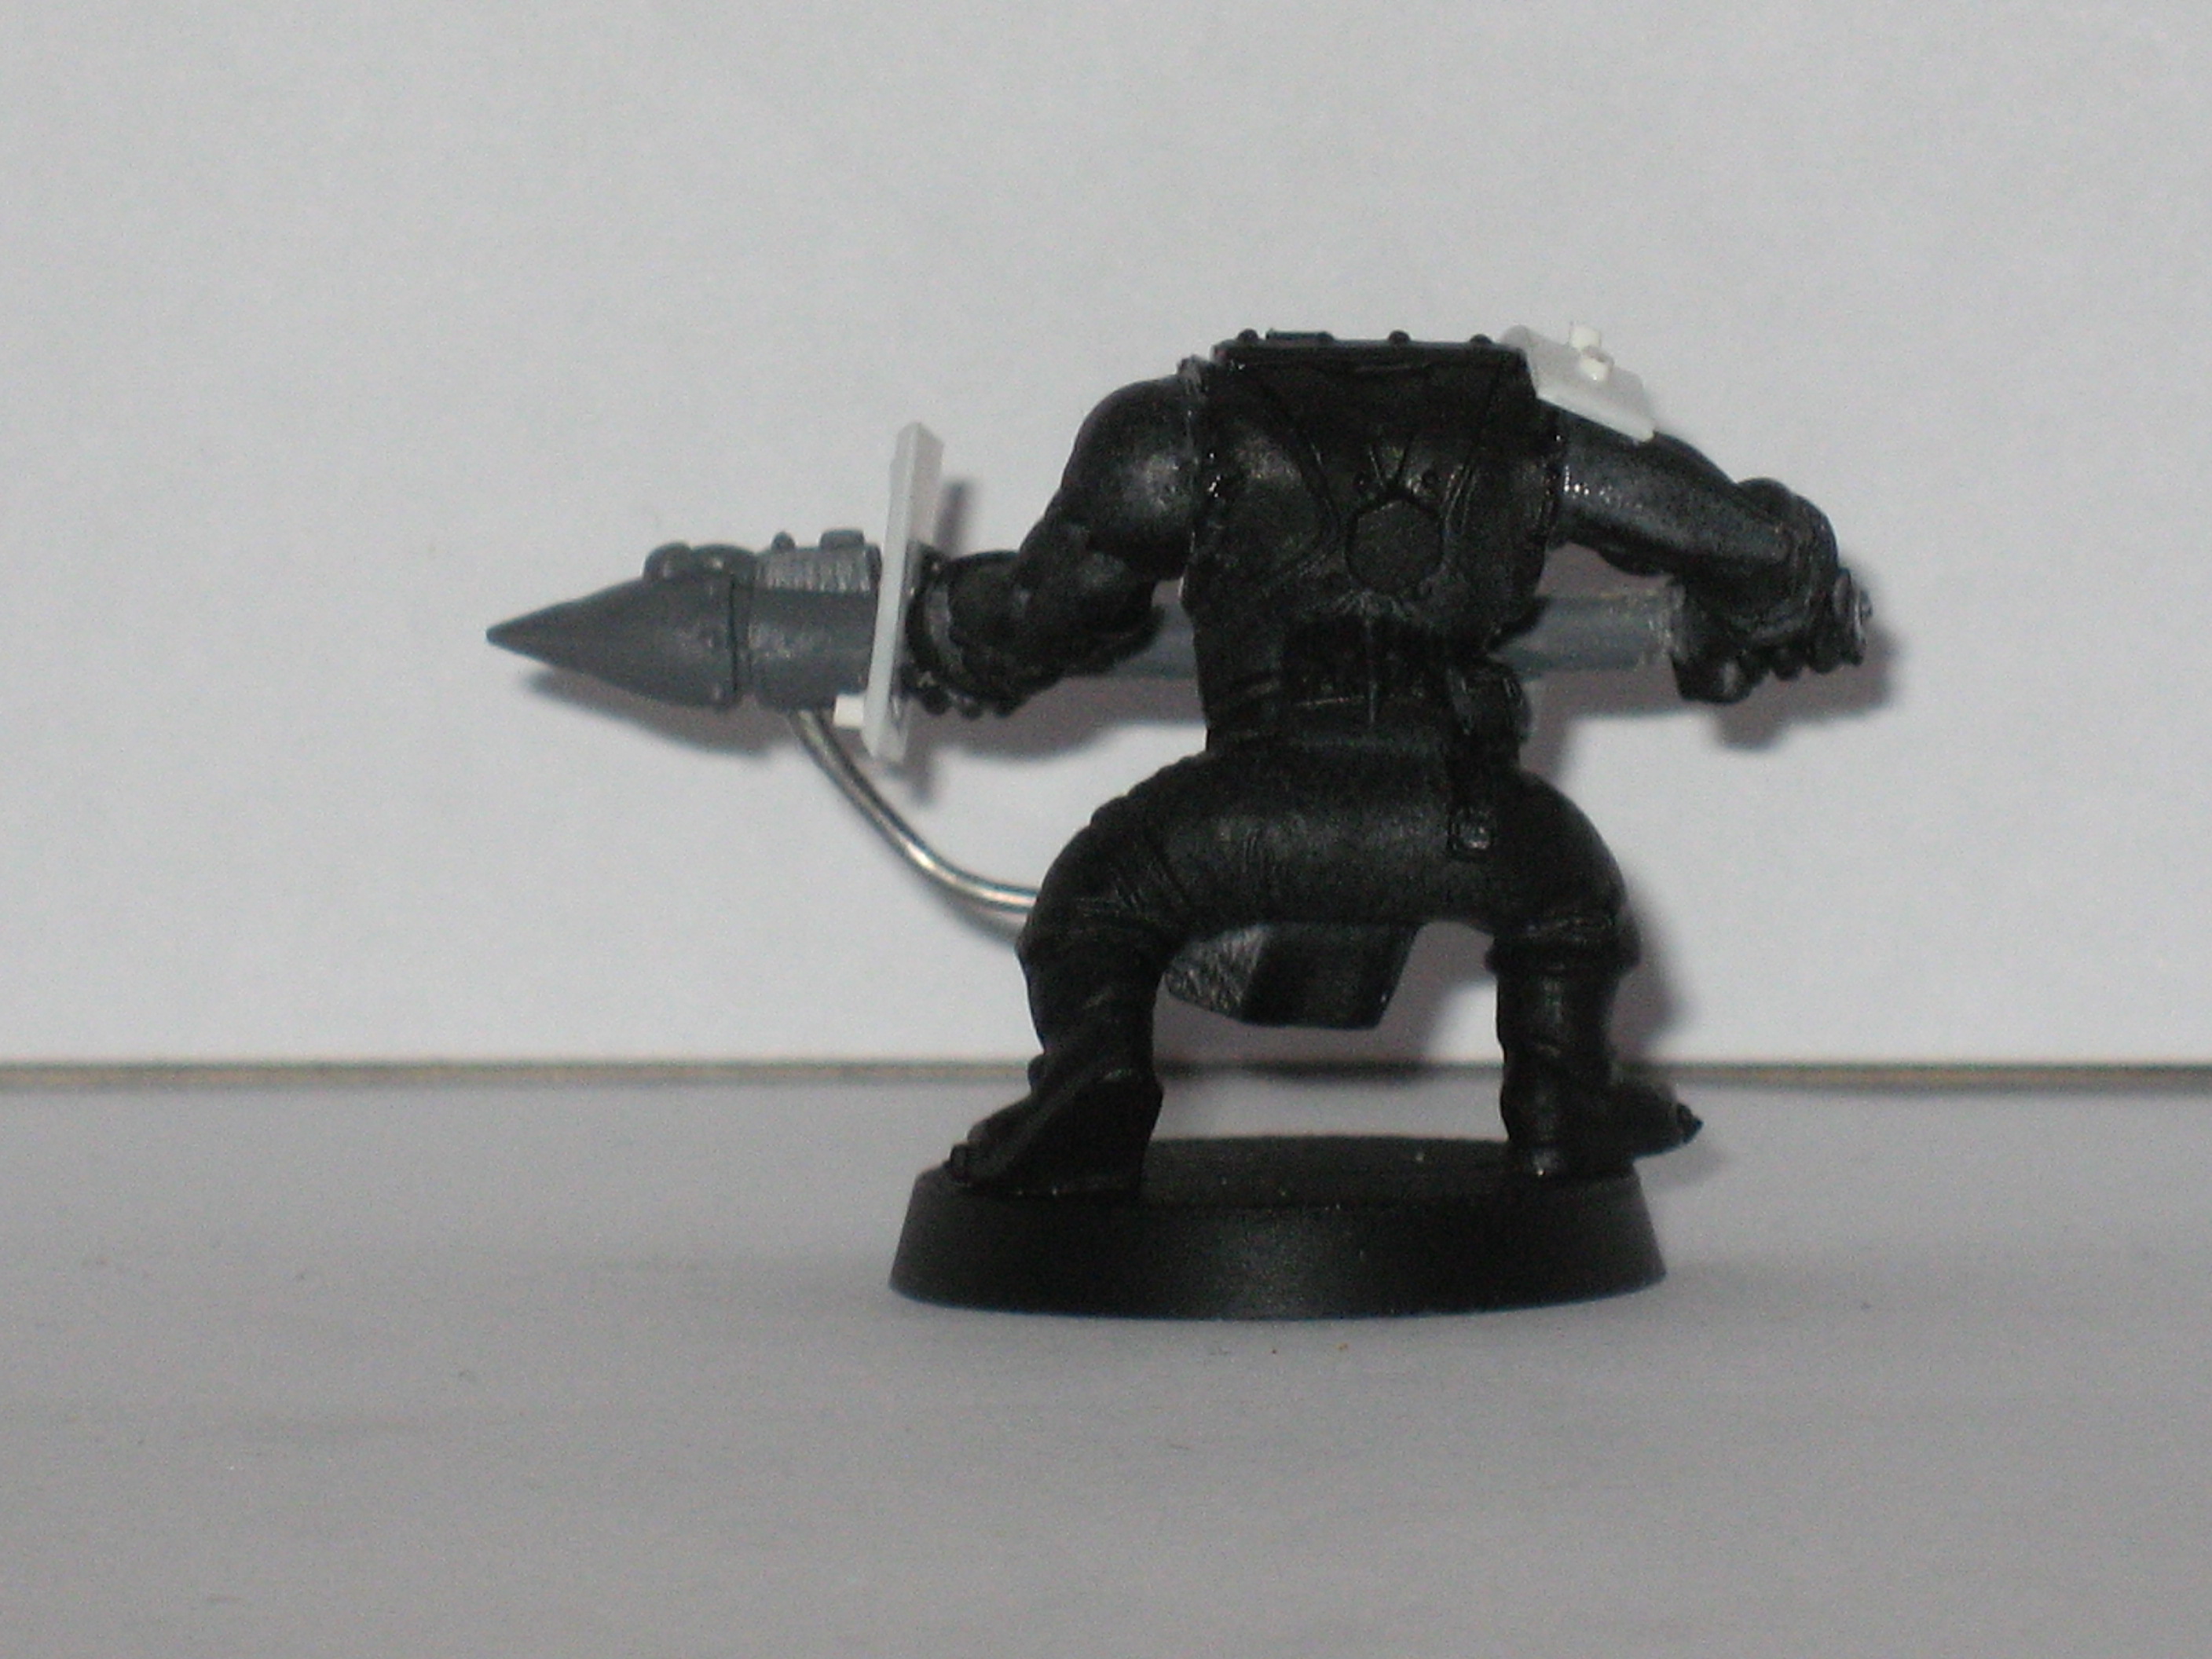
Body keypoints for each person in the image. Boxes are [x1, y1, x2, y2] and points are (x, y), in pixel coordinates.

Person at [903, 329, 1866, 1197]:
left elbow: (1041, 611)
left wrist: (940, 628)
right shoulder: (1542, 441)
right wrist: (1783, 604)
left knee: (1090, 910)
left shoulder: (1169, 436)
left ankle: (1096, 1074)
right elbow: (1747, 548)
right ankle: (1561, 1099)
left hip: (1248, 811)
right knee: (1573, 904)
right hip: (1461, 817)